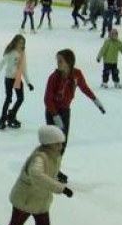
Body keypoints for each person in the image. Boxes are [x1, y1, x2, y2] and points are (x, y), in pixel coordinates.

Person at [43, 48, 104, 182]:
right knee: (54, 142)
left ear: (69, 62)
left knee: (62, 143)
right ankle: (49, 168)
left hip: (65, 111)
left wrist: (95, 100)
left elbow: (84, 88)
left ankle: (54, 168)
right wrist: (55, 116)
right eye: (57, 60)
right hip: (53, 112)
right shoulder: (54, 77)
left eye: (61, 61)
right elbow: (47, 99)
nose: (58, 63)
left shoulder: (76, 74)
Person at [0, 34, 34, 130]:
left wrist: (28, 83)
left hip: (17, 78)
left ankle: (11, 115)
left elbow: (24, 68)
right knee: (8, 98)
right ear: (15, 43)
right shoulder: (11, 53)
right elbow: (1, 64)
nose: (21, 45)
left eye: (22, 43)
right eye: (19, 43)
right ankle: (2, 119)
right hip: (9, 78)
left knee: (20, 98)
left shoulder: (23, 54)